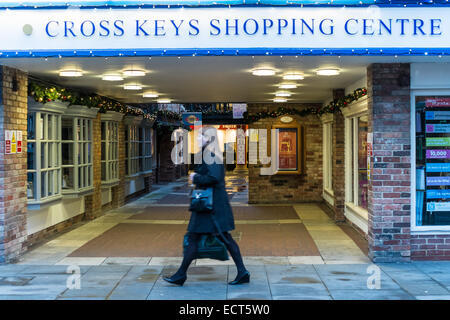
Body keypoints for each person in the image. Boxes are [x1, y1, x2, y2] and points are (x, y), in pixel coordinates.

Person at [163, 127, 250, 286]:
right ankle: (181, 274)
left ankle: (242, 272)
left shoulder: (211, 155)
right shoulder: (207, 154)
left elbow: (214, 177)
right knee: (195, 238)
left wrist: (196, 177)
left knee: (222, 239)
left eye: (200, 137)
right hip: (207, 207)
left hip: (213, 208)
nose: (197, 140)